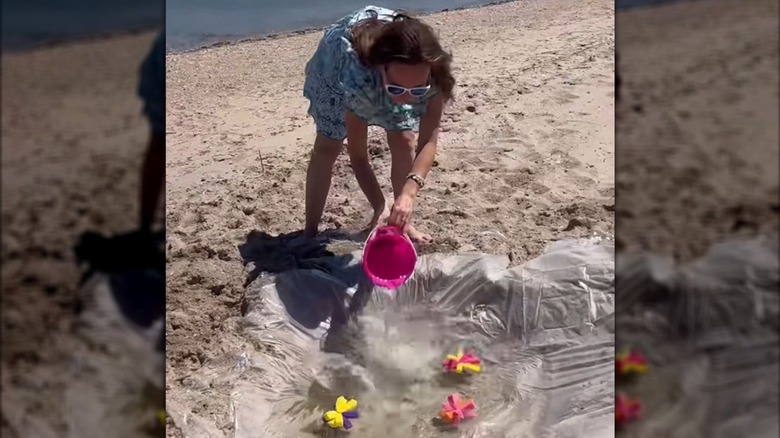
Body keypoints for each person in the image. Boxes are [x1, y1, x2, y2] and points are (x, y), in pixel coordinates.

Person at [302, 6, 455, 244]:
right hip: (337, 62)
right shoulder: (358, 78)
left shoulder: (433, 75)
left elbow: (428, 142)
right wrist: (379, 205)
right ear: (382, 69)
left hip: (389, 53)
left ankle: (404, 223)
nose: (404, 99)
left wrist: (408, 194)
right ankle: (309, 231)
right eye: (396, 88)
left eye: (417, 90)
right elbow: (359, 158)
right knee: (327, 147)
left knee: (404, 139)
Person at [137, 31, 165, 234]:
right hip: (159, 68)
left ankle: (145, 226)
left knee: (159, 146)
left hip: (158, 65)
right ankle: (145, 226)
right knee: (159, 145)